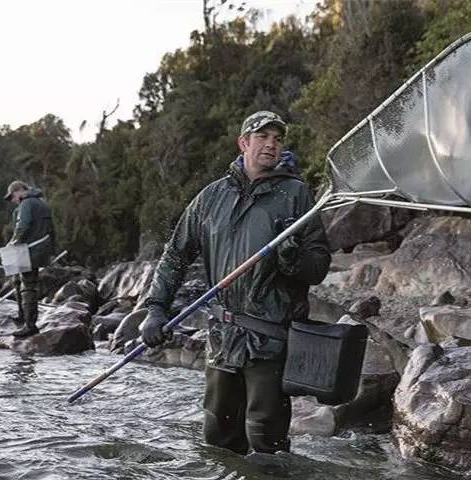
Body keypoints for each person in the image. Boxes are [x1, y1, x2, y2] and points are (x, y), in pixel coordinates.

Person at [141, 111, 331, 456]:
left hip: (271, 339)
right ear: (243, 142)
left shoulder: (296, 195)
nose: (271, 144)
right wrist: (155, 308)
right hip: (222, 339)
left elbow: (318, 267)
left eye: (277, 139)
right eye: (262, 137)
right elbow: (175, 256)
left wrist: (292, 258)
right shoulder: (210, 197)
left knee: (266, 443)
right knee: (217, 439)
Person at [4, 180, 55, 337]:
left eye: (12, 196)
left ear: (20, 191)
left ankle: (29, 325)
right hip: (41, 249)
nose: (13, 200)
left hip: (30, 249)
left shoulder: (26, 203)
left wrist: (13, 243)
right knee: (19, 281)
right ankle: (23, 316)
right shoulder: (41, 203)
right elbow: (51, 230)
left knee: (28, 286)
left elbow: (23, 225)